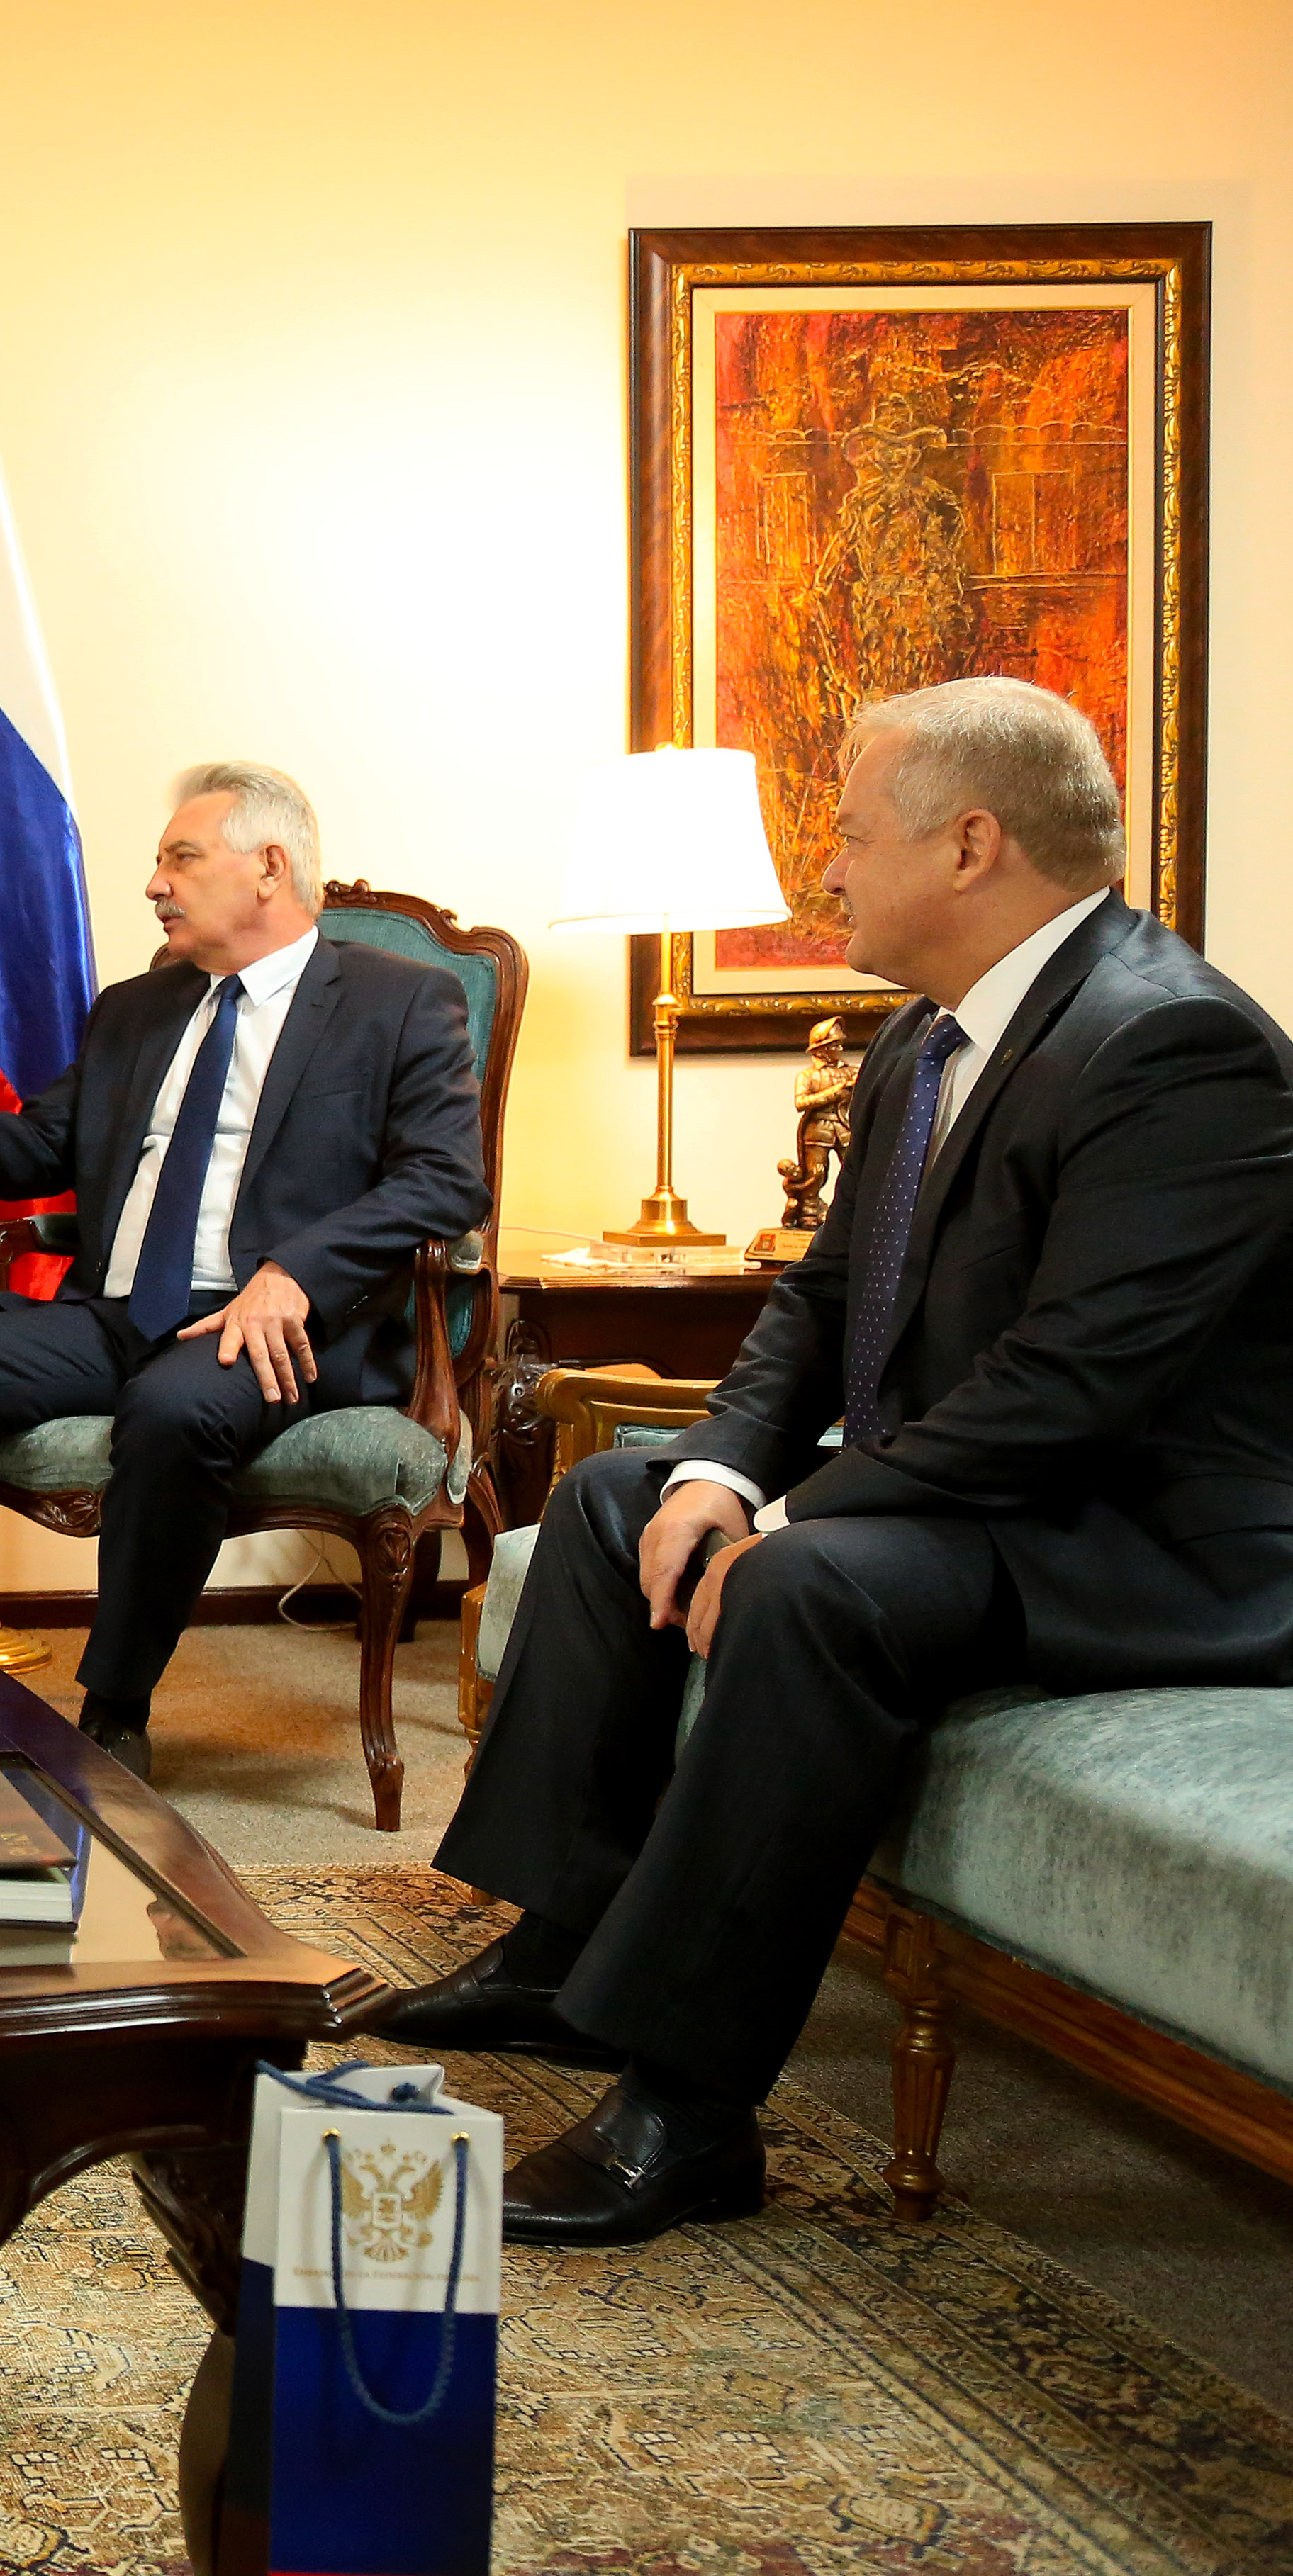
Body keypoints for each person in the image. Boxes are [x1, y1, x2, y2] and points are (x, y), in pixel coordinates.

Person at [362, 677, 1293, 2248]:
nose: (829, 871)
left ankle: (688, 2104)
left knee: (802, 1582)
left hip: (1148, 1539)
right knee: (615, 1495)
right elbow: (820, 1295)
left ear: (972, 842)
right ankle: (557, 1942)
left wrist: (783, 1514)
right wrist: (721, 1470)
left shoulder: (1174, 1045)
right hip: (1002, 1495)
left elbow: (1069, 1390)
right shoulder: (932, 1038)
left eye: (853, 834)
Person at [0, 761, 486, 1778]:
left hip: (277, 1326)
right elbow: (36, 1153)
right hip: (118, 1310)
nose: (154, 883)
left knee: (174, 1407)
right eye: (159, 862)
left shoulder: (399, 1003)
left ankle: (115, 1702)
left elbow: (442, 1180)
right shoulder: (136, 1008)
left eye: (179, 857)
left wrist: (294, 1270)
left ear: (268, 865)